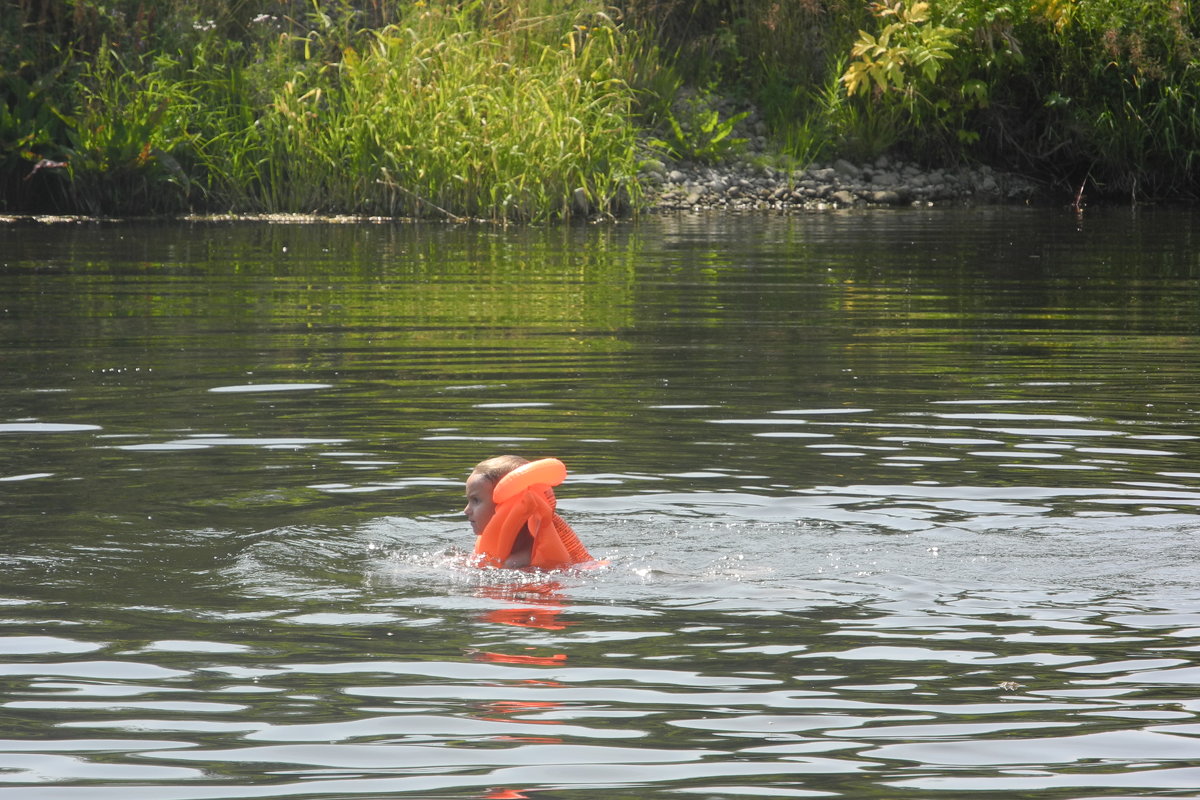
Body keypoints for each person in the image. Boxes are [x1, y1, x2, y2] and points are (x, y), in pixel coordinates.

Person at [464, 455, 593, 570]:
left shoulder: (518, 563)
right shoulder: (496, 549)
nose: (466, 510)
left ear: (507, 505)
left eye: (476, 500)